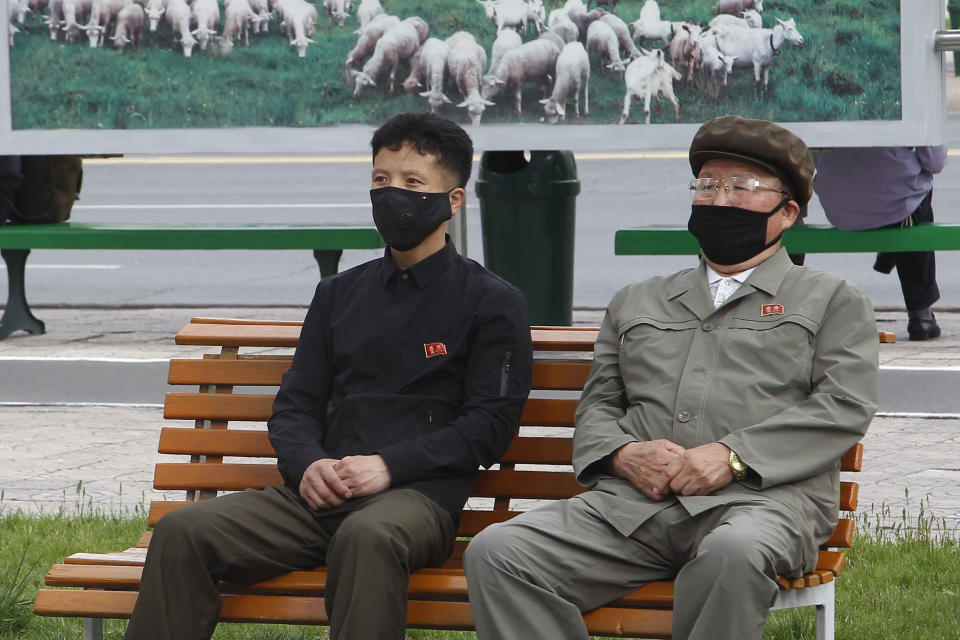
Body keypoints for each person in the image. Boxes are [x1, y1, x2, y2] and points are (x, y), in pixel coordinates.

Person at [463, 115, 879, 640]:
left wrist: (731, 456)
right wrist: (620, 455)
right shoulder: (637, 300)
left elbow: (842, 407)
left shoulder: (834, 301)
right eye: (707, 185)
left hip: (762, 506)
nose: (719, 200)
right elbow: (598, 407)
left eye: (741, 187)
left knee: (730, 553)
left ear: (787, 211)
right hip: (633, 509)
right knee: (499, 553)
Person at [124, 112, 533, 640]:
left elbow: (489, 427)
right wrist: (308, 464)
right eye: (381, 180)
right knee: (183, 530)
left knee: (367, 536)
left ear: (452, 201)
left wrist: (387, 467)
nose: (393, 195)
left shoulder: (492, 303)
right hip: (317, 496)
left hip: (416, 501)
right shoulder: (339, 294)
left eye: (413, 183)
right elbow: (295, 405)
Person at [813, 146, 948, 341]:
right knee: (916, 198)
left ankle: (888, 252)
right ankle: (921, 314)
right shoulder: (913, 115)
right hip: (898, 206)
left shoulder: (824, 114)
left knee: (903, 200)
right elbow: (935, 163)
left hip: (840, 207)